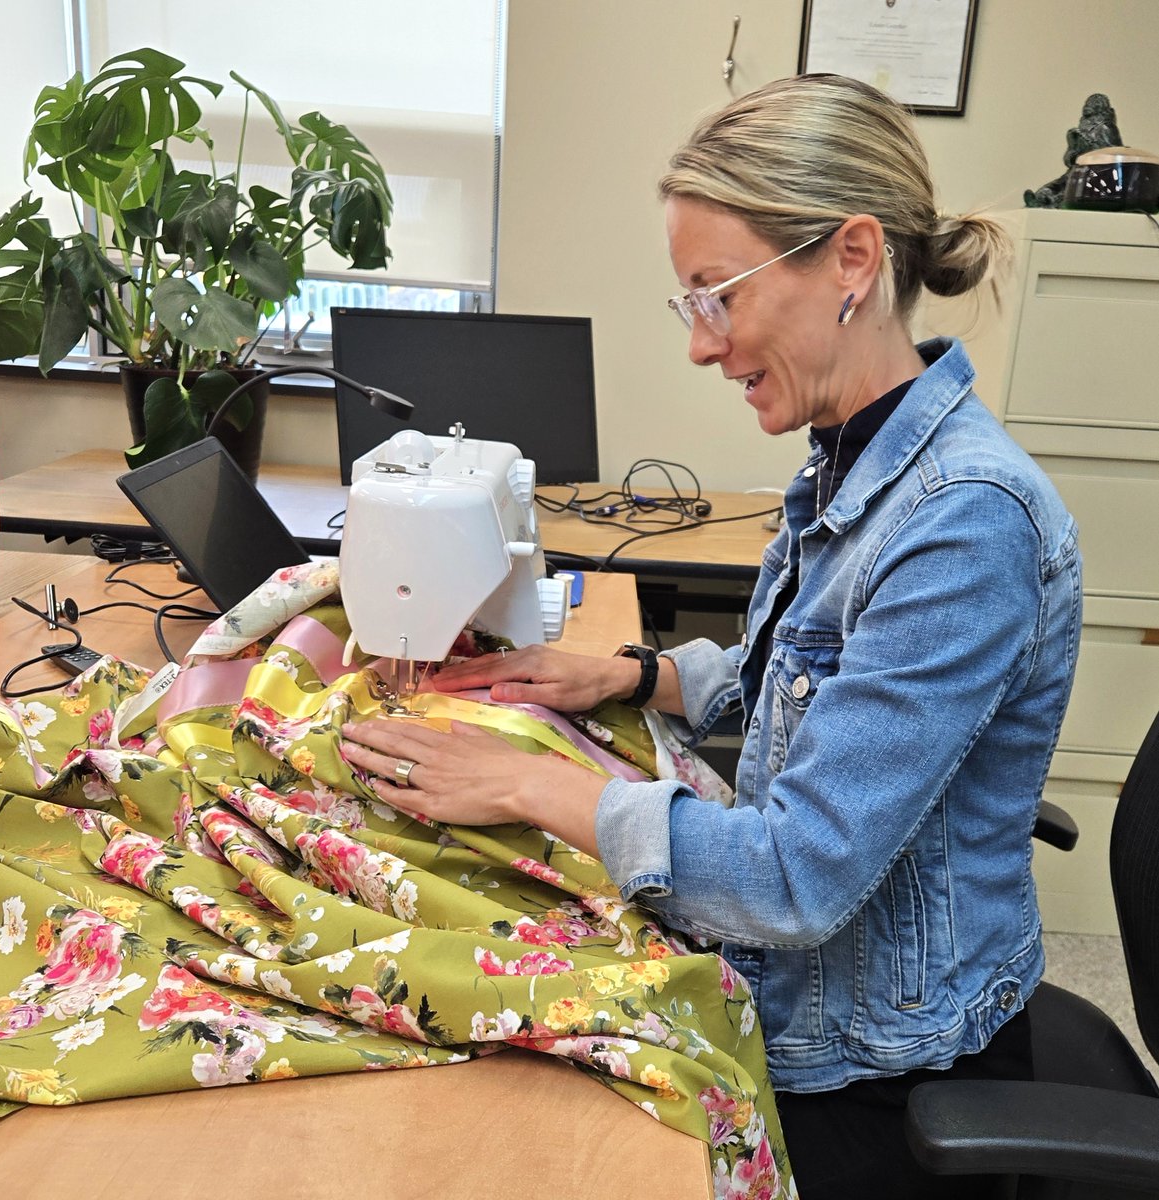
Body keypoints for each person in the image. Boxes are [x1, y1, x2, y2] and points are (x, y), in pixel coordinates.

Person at [341, 73, 1082, 1198]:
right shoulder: (852, 456)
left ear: (850, 258)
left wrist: (529, 787)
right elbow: (795, 679)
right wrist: (625, 672)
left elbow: (796, 876)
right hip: (821, 1003)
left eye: (714, 295)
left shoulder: (961, 525)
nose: (700, 346)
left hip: (875, 1073)